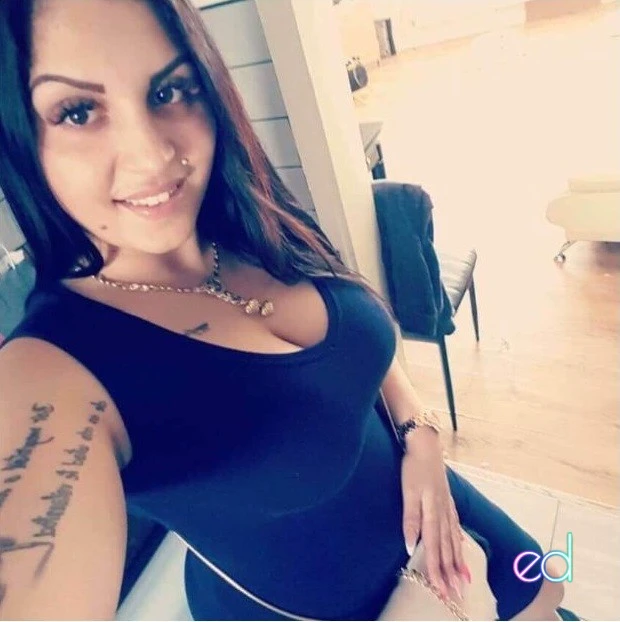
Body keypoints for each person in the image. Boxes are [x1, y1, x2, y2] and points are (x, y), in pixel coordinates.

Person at [0, 0, 575, 620]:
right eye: (78, 112)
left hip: (436, 497)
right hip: (315, 603)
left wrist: (421, 436)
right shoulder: (53, 371)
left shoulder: (256, 221)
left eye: (168, 90)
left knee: (551, 591)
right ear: (19, 137)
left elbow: (358, 352)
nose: (152, 155)